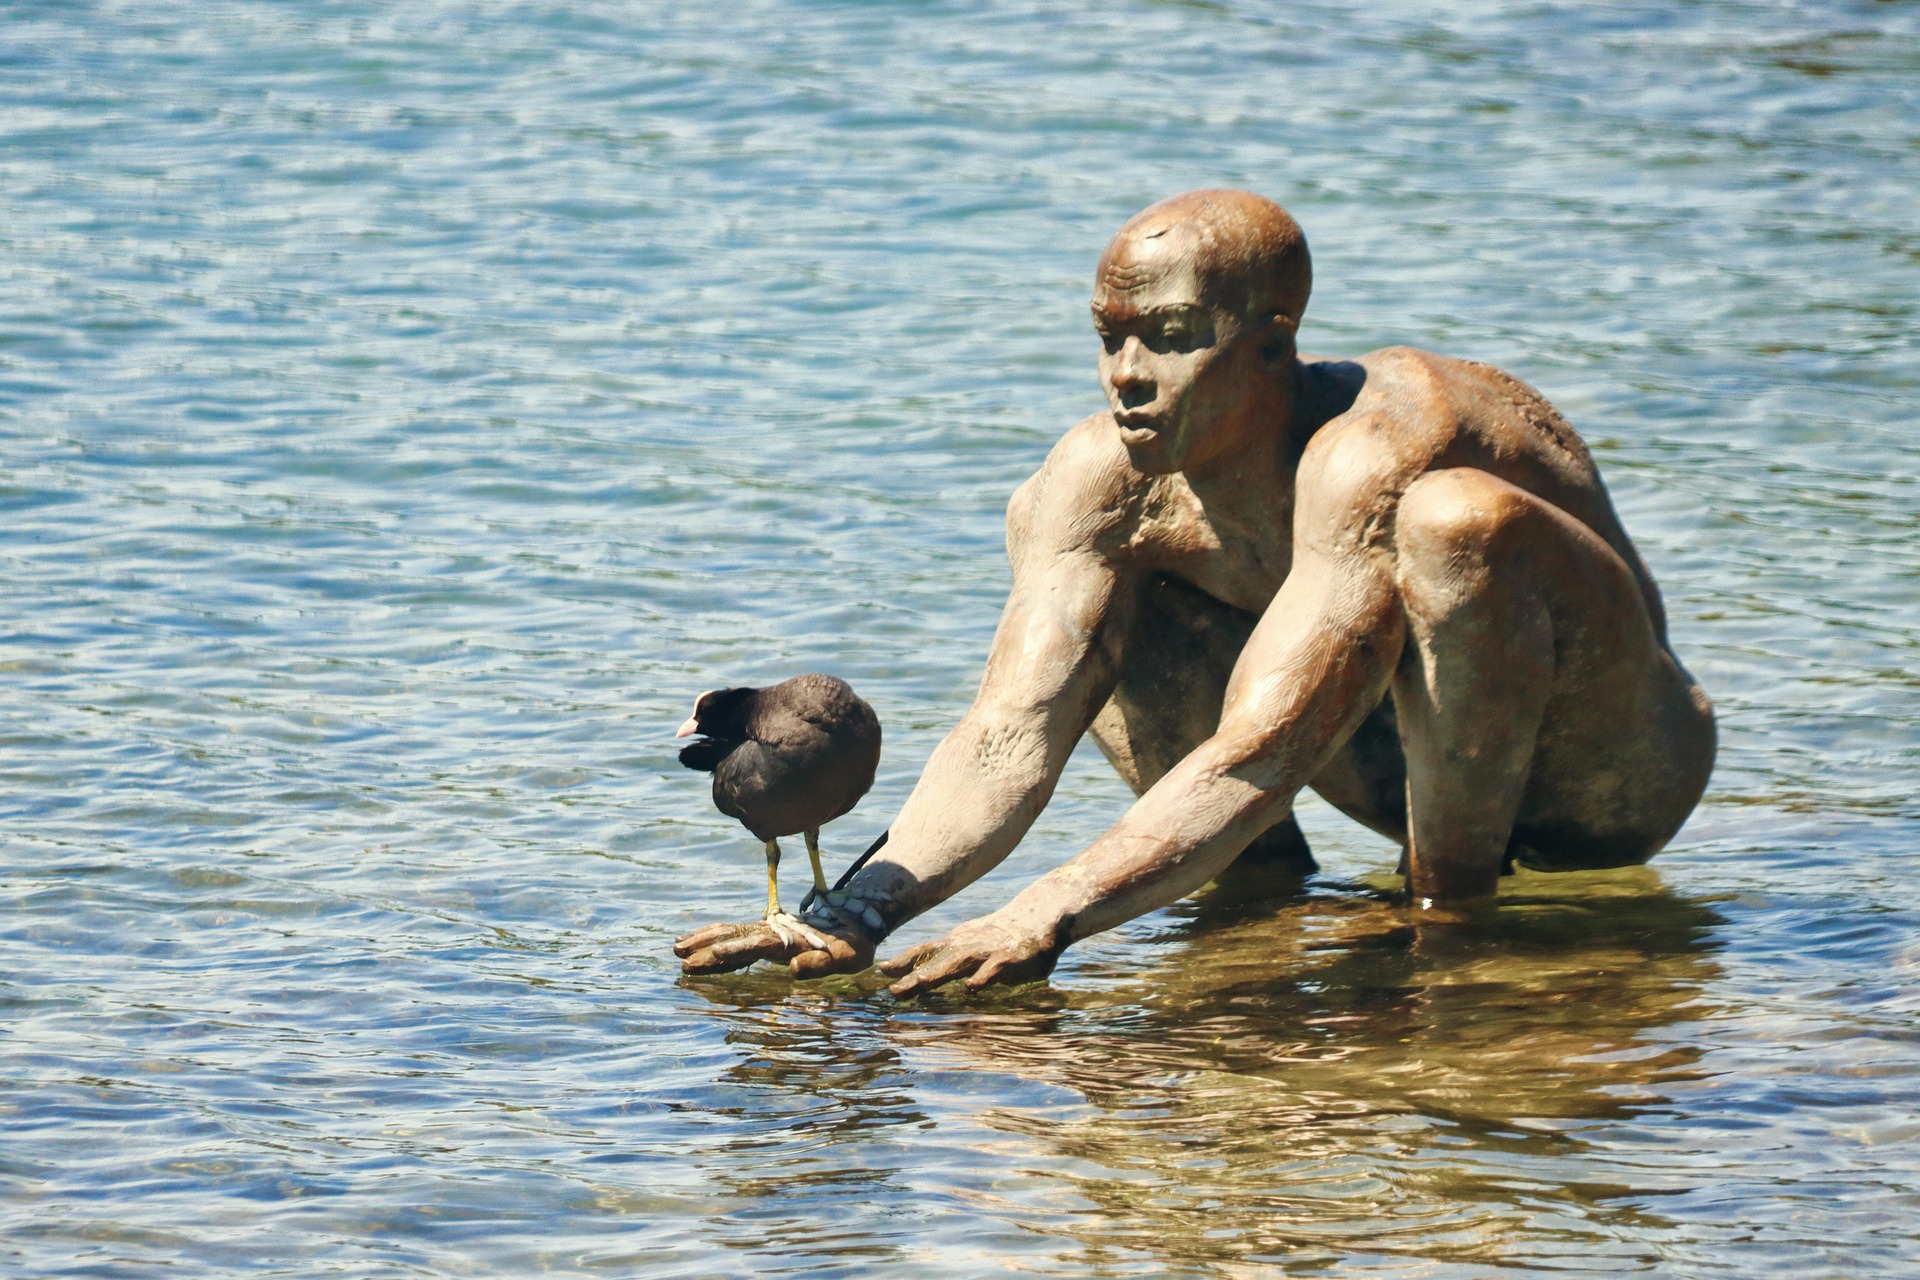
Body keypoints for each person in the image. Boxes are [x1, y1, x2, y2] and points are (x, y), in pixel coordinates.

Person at [674, 189, 1716, 997]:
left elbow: (1266, 745)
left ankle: (1446, 926)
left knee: (1454, 526)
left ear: (1273, 341)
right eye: (1109, 335)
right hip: (1393, 754)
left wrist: (1048, 912)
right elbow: (1007, 732)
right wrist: (851, 909)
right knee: (1082, 546)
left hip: (1601, 771)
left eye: (1170, 338)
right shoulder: (1105, 475)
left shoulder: (1381, 446)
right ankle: (1258, 898)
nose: (1126, 372)